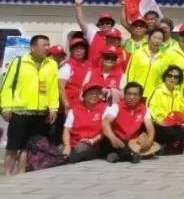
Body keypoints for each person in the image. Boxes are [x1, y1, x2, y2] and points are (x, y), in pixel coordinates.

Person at [1, 35, 60, 176]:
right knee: (14, 145)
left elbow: (53, 88)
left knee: (29, 146)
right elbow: (7, 86)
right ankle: (7, 173)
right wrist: (6, 107)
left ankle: (22, 173)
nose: (47, 48)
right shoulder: (19, 62)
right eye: (44, 45)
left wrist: (53, 108)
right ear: (33, 47)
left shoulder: (51, 64)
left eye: (48, 45)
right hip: (21, 111)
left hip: (40, 112)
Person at [147, 65, 184, 154]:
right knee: (171, 132)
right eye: (170, 75)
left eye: (176, 77)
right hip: (159, 124)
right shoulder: (157, 91)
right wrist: (156, 121)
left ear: (178, 80)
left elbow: (183, 110)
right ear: (165, 76)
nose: (172, 78)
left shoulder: (178, 94)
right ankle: (163, 146)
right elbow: (149, 108)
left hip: (173, 125)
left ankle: (170, 147)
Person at [101, 82, 157, 164]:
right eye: (129, 94)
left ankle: (118, 156)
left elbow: (150, 128)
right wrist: (113, 138)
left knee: (142, 146)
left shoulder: (144, 109)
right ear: (124, 95)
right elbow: (105, 123)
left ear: (139, 97)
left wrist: (149, 141)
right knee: (116, 145)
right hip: (116, 139)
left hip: (132, 141)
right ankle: (131, 155)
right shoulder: (116, 106)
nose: (131, 97)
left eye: (135, 94)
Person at [62, 76, 107, 164]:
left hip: (92, 144)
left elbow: (105, 131)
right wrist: (67, 145)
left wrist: (92, 140)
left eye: (97, 93)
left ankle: (68, 164)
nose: (94, 96)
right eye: (91, 93)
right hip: (73, 143)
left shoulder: (104, 108)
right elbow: (66, 129)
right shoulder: (75, 110)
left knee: (79, 150)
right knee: (59, 150)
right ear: (84, 95)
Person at [126, 28, 171, 94]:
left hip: (152, 94)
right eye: (154, 37)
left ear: (162, 42)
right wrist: (130, 88)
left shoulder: (165, 57)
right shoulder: (138, 52)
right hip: (136, 92)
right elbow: (130, 72)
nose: (156, 41)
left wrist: (158, 91)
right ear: (149, 38)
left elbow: (163, 78)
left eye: (160, 39)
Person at [58, 38, 91, 111]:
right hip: (71, 105)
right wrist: (66, 105)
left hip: (86, 104)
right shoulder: (67, 67)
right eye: (76, 49)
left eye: (81, 48)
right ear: (71, 51)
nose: (79, 51)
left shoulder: (89, 65)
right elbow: (60, 88)